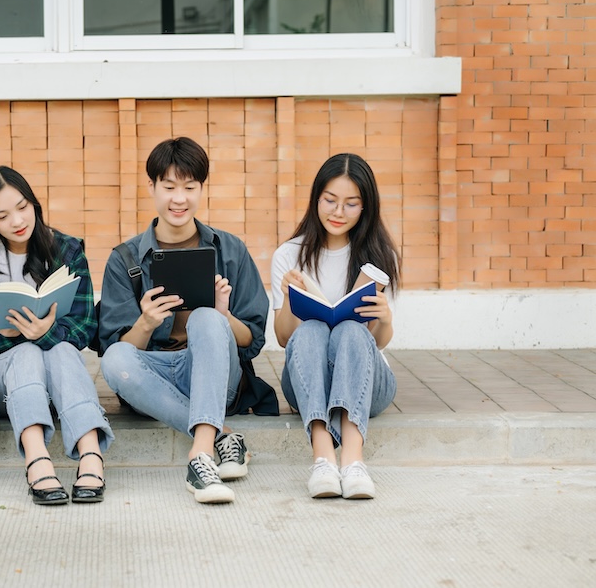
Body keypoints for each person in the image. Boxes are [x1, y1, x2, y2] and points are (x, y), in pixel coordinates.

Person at [98, 137, 269, 504]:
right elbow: (117, 350)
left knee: (207, 318)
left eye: (190, 187)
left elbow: (252, 339)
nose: (180, 198)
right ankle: (223, 436)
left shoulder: (230, 250)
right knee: (113, 360)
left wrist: (224, 317)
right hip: (158, 375)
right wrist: (145, 322)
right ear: (152, 187)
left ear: (201, 189)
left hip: (217, 375)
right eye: (170, 187)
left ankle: (201, 455)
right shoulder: (125, 259)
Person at [0, 166, 113, 506]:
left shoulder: (66, 250)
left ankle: (90, 455)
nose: (17, 221)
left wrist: (47, 332)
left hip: (56, 377)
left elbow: (85, 326)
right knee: (26, 352)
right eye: (2, 215)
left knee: (61, 349)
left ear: (35, 204)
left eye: (23, 207)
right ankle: (37, 458)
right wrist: (12, 335)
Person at [271, 152, 400, 499]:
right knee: (311, 330)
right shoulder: (289, 255)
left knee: (350, 331)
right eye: (330, 200)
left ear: (365, 208)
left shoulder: (378, 255)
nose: (338, 212)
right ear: (316, 199)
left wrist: (385, 318)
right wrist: (287, 299)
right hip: (309, 378)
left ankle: (353, 462)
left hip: (367, 383)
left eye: (351, 204)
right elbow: (284, 339)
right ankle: (323, 460)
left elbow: (379, 343)